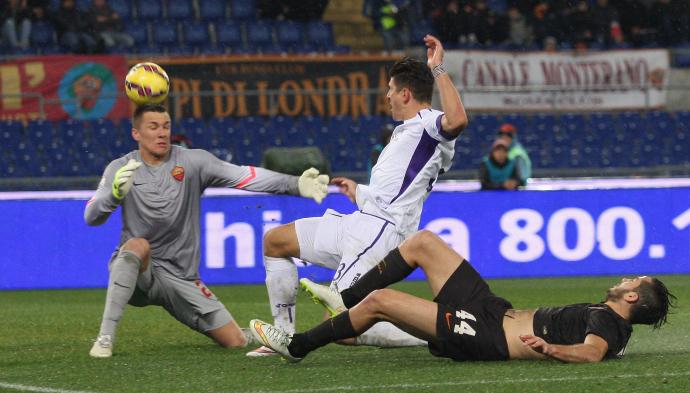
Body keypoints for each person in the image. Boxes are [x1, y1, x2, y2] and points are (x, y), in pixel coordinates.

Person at [248, 34, 468, 356]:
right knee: (275, 241)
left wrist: (438, 69)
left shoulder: (429, 124)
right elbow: (395, 189)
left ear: (405, 93)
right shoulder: (405, 132)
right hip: (360, 222)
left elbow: (458, 119)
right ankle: (282, 334)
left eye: (391, 90)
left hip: (380, 234)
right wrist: (360, 191)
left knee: (344, 325)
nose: (387, 96)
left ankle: (438, 335)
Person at [85, 104, 329, 358]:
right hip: (140, 273)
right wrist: (112, 196)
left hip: (182, 278)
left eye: (166, 126)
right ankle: (105, 338)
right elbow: (91, 217)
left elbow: (244, 175)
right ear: (136, 133)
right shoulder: (120, 168)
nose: (162, 133)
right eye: (153, 127)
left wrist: (295, 184)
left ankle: (255, 335)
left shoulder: (193, 162)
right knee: (137, 245)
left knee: (234, 340)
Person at [249, 230, 675, 363]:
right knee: (424, 243)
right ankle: (346, 298)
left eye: (632, 281)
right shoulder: (608, 315)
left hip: (485, 335)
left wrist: (550, 347)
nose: (625, 279)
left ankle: (297, 345)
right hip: (493, 309)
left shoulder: (610, 324)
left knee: (382, 302)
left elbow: (592, 354)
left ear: (633, 299)